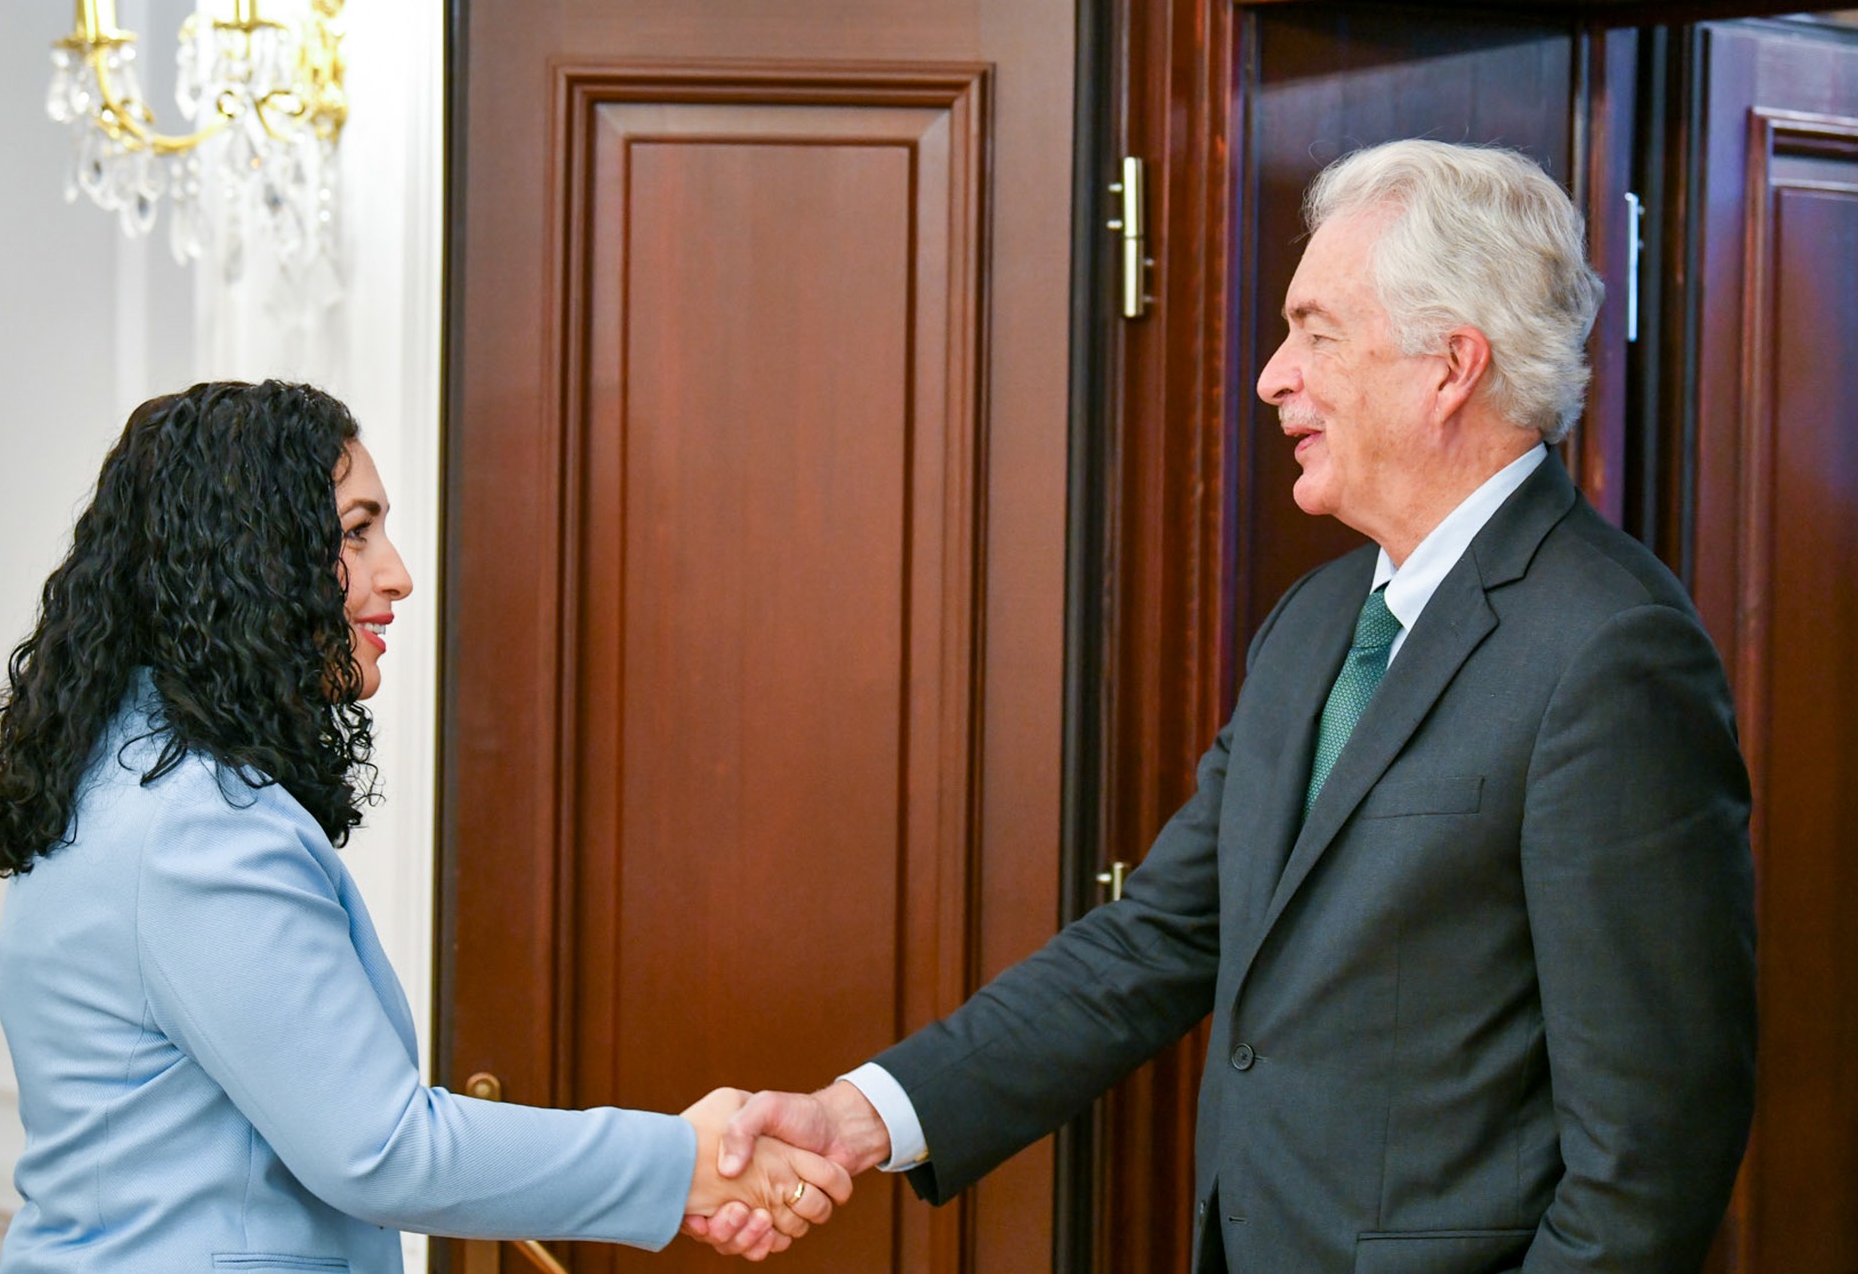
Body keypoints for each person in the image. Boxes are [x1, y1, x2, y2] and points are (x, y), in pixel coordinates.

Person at [692, 141, 1757, 1272]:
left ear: (1450, 366)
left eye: (1316, 333)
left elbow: (1651, 1156)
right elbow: (1159, 936)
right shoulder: (1313, 623)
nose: (1271, 376)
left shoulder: (1612, 653)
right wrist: (860, 1115)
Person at [0, 380, 848, 1273]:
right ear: (252, 551)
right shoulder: (196, 828)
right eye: (356, 531)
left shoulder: (130, 779)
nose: (398, 574)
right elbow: (381, 1148)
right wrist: (686, 1163)